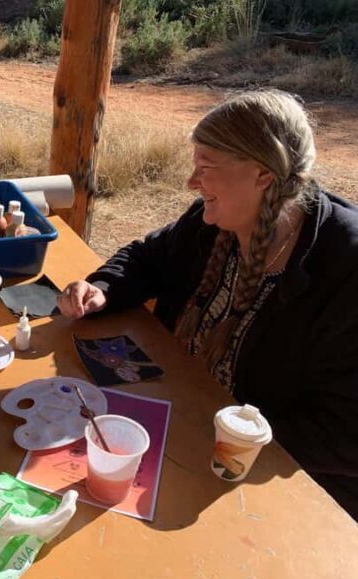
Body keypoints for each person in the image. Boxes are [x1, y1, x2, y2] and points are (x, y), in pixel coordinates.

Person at [57, 89, 358, 520]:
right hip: (171, 422)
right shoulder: (213, 219)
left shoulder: (344, 266)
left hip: (266, 486)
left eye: (206, 168)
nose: (191, 183)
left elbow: (345, 431)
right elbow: (146, 258)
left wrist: (225, 438)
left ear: (263, 175)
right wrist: (103, 288)